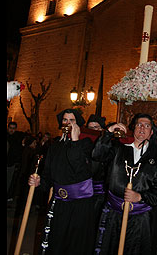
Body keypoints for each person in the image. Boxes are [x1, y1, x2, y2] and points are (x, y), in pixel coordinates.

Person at [92, 113, 157, 255]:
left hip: (140, 219)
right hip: (113, 215)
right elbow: (97, 155)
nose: (142, 128)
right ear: (133, 128)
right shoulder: (119, 149)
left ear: (151, 133)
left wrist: (141, 196)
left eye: (147, 126)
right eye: (139, 124)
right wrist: (108, 133)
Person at [28, 108, 96, 255]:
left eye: (72, 120)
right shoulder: (54, 146)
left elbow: (81, 170)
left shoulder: (85, 144)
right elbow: (48, 176)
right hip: (59, 202)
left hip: (80, 204)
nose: (68, 123)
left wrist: (75, 140)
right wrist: (39, 182)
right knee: (56, 241)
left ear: (77, 125)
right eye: (65, 120)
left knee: (75, 245)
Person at [7, 121, 25, 201]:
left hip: (11, 163)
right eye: (10, 128)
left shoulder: (17, 138)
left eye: (13, 128)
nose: (11, 130)